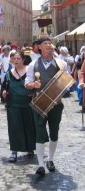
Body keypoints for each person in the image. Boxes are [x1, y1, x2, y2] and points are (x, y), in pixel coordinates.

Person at [25, 37, 67, 177]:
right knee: (40, 132)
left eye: (50, 43)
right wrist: (33, 85)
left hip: (56, 103)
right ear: (39, 47)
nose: (49, 45)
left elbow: (65, 82)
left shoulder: (61, 63)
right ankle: (41, 165)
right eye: (45, 43)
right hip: (39, 102)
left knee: (54, 132)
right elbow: (27, 83)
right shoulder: (33, 65)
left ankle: (50, 159)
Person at [3, 51, 35, 162]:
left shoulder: (29, 71)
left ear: (23, 60)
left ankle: (30, 148)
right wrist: (4, 93)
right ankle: (14, 151)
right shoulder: (9, 73)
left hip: (28, 104)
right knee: (14, 128)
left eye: (18, 59)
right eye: (14, 59)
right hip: (13, 105)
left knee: (28, 126)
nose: (15, 61)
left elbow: (35, 85)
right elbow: (5, 87)